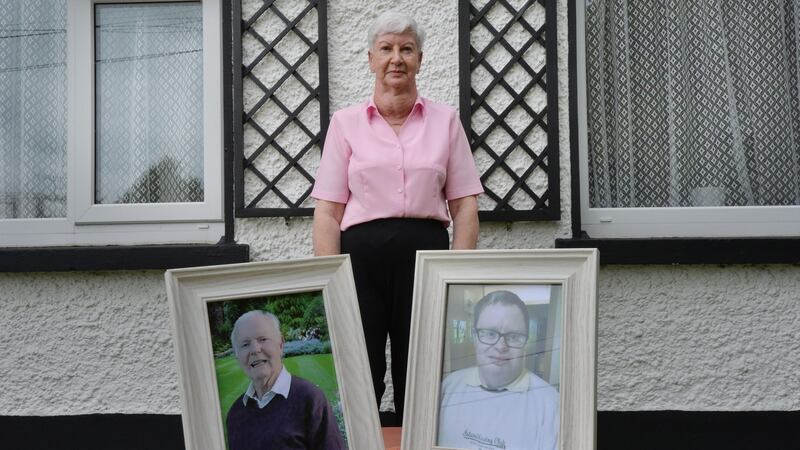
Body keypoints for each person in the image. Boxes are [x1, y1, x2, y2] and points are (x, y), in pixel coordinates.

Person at [311, 10, 483, 426]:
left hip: (425, 262)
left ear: (420, 59)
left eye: (406, 49)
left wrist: (455, 275)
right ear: (371, 58)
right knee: (359, 368)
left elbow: (464, 206)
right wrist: (328, 284)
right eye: (386, 49)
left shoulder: (446, 122)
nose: (396, 59)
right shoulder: (346, 124)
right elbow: (328, 212)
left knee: (422, 370)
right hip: (359, 265)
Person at [438, 291, 559, 450]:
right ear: (474, 337)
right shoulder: (447, 388)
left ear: (525, 342)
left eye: (514, 336)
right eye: (489, 333)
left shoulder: (552, 404)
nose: (501, 346)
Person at [225, 311, 345, 450]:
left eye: (263, 339)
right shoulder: (235, 414)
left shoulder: (310, 399)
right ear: (237, 355)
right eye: (245, 344)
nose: (255, 349)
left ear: (280, 345)